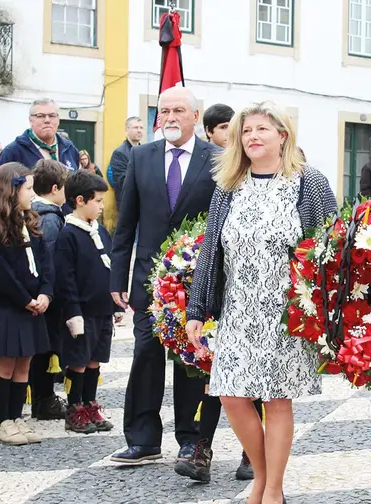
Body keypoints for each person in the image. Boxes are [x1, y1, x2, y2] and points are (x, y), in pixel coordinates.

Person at [185, 101, 337, 504]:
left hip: (286, 311)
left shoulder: (309, 184)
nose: (252, 136)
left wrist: (326, 313)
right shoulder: (229, 187)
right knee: (232, 396)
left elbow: (331, 248)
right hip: (238, 310)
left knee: (275, 399)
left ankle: (270, 489)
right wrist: (196, 310)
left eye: (262, 130)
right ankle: (265, 479)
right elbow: (210, 254)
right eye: (246, 130)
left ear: (282, 136)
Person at [109, 85, 219, 465]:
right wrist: (116, 281)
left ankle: (190, 439)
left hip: (197, 284)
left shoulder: (217, 159)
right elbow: (125, 227)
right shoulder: (141, 158)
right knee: (145, 357)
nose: (169, 117)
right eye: (164, 111)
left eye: (177, 111)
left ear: (194, 117)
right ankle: (142, 438)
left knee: (191, 362)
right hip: (147, 283)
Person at [174, 101, 261, 483]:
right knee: (215, 376)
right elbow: (210, 240)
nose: (244, 137)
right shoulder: (223, 176)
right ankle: (201, 448)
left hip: (265, 300)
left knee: (256, 379)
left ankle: (251, 454)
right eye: (239, 130)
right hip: (222, 290)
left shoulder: (291, 177)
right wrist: (197, 303)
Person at [0, 163, 53, 446]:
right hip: (8, 307)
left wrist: (45, 294)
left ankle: (18, 418)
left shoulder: (30, 221)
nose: (32, 194)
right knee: (5, 365)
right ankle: (2, 421)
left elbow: (45, 264)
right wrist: (25, 300)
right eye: (28, 188)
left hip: (32, 306)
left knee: (24, 364)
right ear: (11, 189)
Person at [55, 171, 122, 434]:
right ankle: (74, 409)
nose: (103, 205)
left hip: (101, 309)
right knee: (79, 361)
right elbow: (66, 278)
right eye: (99, 201)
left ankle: (90, 404)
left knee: (95, 360)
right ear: (80, 200)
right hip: (81, 311)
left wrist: (115, 303)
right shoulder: (68, 235)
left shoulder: (100, 232)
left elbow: (110, 268)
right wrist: (73, 312)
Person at [28, 159, 68, 421]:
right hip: (49, 296)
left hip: (42, 293)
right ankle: (43, 399)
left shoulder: (36, 213)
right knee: (45, 350)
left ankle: (42, 397)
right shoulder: (51, 219)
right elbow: (52, 260)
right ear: (55, 188)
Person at [0, 98, 80, 172]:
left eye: (52, 115)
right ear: (31, 120)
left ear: (58, 119)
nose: (47, 120)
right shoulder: (13, 152)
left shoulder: (69, 148)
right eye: (40, 116)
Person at [107, 116, 144, 202]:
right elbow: (122, 181)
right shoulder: (119, 153)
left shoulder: (145, 151)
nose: (139, 130)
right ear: (126, 131)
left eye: (141, 127)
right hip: (127, 201)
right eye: (135, 127)